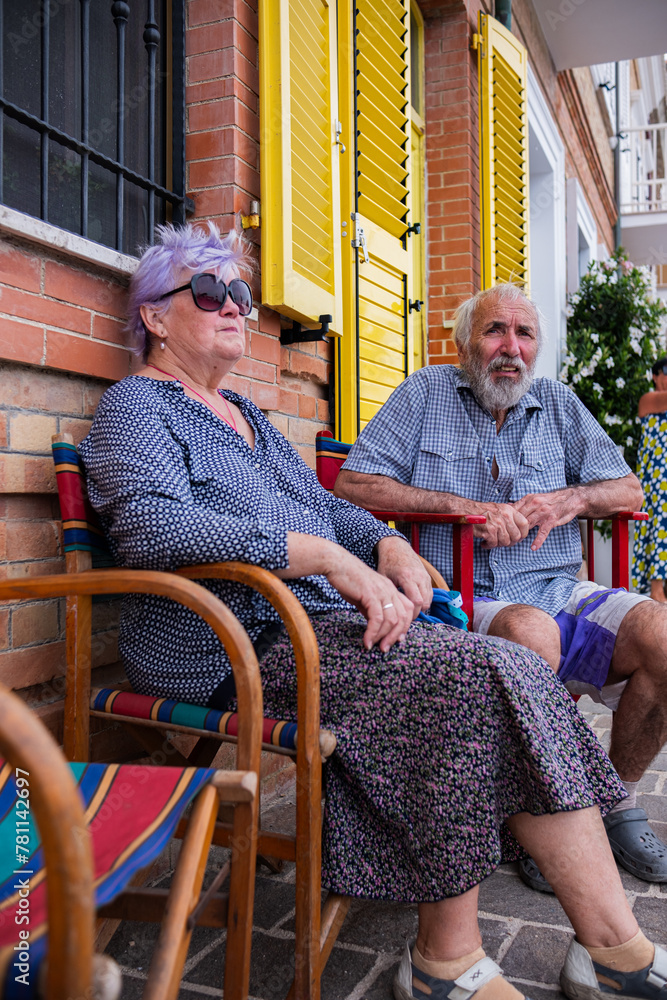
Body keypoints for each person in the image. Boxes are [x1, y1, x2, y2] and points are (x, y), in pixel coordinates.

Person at [80, 224, 666, 1000]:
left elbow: (334, 509)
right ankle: (444, 959)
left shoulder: (248, 418)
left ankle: (612, 947)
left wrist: (385, 549)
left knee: (503, 669)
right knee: (469, 677)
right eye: (212, 292)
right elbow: (152, 528)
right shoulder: (136, 408)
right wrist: (326, 559)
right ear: (155, 317)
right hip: (231, 640)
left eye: (243, 295)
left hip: (314, 626)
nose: (236, 308)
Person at [335, 282, 667, 889]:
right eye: (495, 331)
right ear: (465, 342)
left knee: (663, 635)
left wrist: (571, 498)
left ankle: (607, 800)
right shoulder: (423, 394)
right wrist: (467, 509)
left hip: (558, 586)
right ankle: (544, 813)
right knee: (530, 635)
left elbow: (630, 491)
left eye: (524, 334)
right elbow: (355, 483)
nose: (510, 347)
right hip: (467, 594)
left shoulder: (559, 404)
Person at [633, 356, 667, 602]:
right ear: (655, 376)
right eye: (664, 371)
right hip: (656, 477)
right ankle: (657, 591)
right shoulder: (648, 400)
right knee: (658, 528)